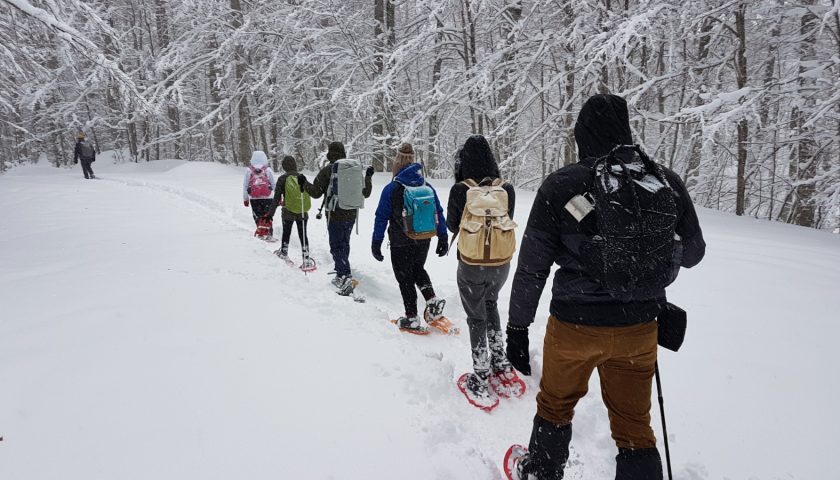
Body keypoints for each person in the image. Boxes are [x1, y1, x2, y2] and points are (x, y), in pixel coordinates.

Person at [505, 94, 706, 480]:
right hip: (639, 327)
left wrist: (518, 326)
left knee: (555, 406)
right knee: (634, 425)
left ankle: (542, 473)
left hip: (573, 327)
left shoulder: (562, 184)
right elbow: (694, 253)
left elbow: (533, 267)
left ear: (582, 136)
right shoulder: (662, 180)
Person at [446, 134, 517, 401]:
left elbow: (454, 225)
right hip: (501, 264)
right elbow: (509, 222)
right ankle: (500, 360)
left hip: (471, 264)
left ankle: (481, 371)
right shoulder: (506, 188)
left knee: (476, 315)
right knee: (491, 305)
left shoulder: (461, 189)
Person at [371, 143, 448, 330]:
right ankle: (432, 300)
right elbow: (437, 211)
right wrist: (442, 236)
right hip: (423, 238)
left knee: (404, 278)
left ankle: (412, 317)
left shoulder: (392, 188)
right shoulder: (425, 185)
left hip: (400, 241)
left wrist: (376, 241)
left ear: (396, 162)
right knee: (417, 269)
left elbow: (381, 217)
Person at [299, 141, 373, 294]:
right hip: (352, 213)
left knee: (336, 245)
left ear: (330, 154)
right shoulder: (353, 169)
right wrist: (368, 177)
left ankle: (345, 276)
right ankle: (342, 271)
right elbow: (365, 193)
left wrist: (304, 182)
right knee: (344, 242)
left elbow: (315, 192)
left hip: (335, 213)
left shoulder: (328, 170)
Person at [268, 155, 314, 268]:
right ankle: (306, 259)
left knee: (286, 232)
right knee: (303, 235)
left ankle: (284, 253)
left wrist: (270, 214)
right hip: (302, 211)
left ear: (284, 167)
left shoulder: (282, 179)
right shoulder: (302, 177)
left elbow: (276, 198)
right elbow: (310, 191)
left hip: (288, 211)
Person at [242, 151, 276, 238]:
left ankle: (260, 232)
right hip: (268, 197)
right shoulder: (267, 170)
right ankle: (269, 233)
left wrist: (245, 199)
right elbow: (274, 184)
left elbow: (245, 185)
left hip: (254, 198)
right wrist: (278, 197)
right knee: (268, 215)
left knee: (257, 215)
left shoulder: (249, 170)